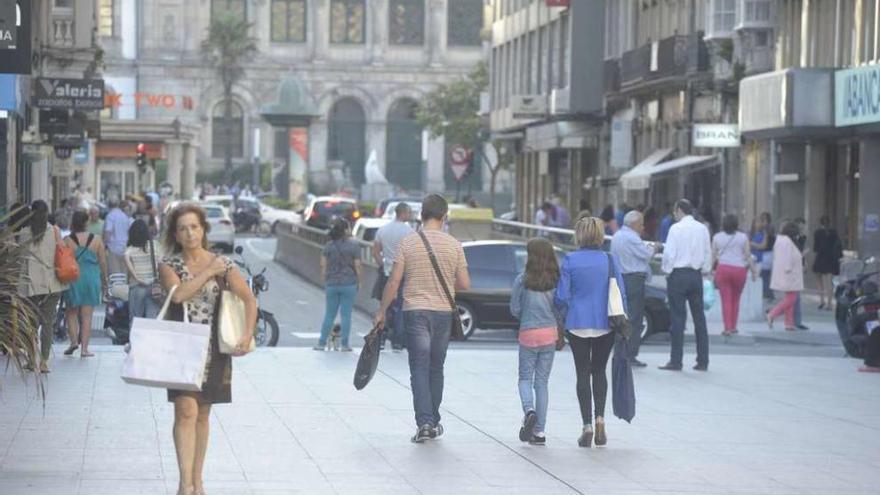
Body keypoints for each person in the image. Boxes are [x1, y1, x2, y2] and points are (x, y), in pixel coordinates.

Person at [158, 203, 257, 495]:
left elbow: (249, 299)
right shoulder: (169, 265)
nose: (190, 233)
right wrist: (209, 271)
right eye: (183, 229)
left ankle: (197, 480)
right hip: (180, 346)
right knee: (185, 410)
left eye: (195, 227)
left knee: (202, 413)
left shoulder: (223, 264)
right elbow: (179, 296)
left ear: (203, 230)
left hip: (215, 349)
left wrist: (247, 335)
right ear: (176, 235)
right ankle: (184, 483)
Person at [373, 194, 471, 443]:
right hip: (443, 314)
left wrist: (382, 311)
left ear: (421, 215)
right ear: (444, 216)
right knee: (436, 368)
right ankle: (433, 420)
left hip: (415, 311)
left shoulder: (408, 243)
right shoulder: (454, 245)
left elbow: (394, 280)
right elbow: (465, 284)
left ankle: (425, 422)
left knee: (418, 367)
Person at [555, 216, 627, 448]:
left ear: (579, 235)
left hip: (577, 322)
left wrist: (561, 310)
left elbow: (562, 297)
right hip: (605, 322)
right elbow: (621, 293)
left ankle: (586, 424)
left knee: (582, 373)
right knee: (599, 371)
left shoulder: (570, 259)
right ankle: (600, 420)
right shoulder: (609, 259)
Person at [510, 238, 564, 445]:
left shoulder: (522, 280)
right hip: (549, 334)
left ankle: (529, 410)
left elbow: (514, 309)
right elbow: (560, 308)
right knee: (542, 382)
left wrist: (526, 315)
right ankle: (539, 432)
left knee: (525, 378)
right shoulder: (556, 280)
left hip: (528, 333)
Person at [659, 199, 712, 372]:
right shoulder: (702, 228)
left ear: (680, 211)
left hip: (678, 275)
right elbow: (707, 252)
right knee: (699, 319)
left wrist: (667, 271)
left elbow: (669, 254)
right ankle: (703, 360)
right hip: (695, 275)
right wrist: (704, 269)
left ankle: (676, 360)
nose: (674, 215)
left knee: (677, 319)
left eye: (675, 212)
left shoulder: (675, 229)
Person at [18, 200, 68, 373]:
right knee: (47, 323)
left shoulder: (24, 233)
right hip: (51, 285)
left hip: (29, 286)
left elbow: (19, 258)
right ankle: (44, 361)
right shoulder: (55, 231)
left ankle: (32, 359)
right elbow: (61, 252)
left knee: (31, 323)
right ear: (47, 213)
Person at [610, 211, 657, 367]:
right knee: (635, 318)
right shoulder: (632, 237)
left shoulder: (617, 236)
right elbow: (646, 255)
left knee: (620, 317)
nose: (643, 227)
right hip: (634, 279)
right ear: (634, 224)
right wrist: (655, 248)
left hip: (620, 279)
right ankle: (630, 354)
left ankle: (619, 351)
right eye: (641, 223)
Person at [63, 210, 109, 358]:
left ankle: (73, 342)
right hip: (91, 278)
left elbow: (62, 261)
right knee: (87, 315)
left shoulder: (67, 240)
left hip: (73, 278)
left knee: (71, 312)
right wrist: (105, 282)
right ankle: (84, 349)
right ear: (86, 223)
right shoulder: (97, 240)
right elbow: (102, 263)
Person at [371, 203, 414, 351]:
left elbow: (376, 251)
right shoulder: (409, 232)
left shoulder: (383, 230)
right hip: (403, 273)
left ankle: (382, 338)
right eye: (409, 212)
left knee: (385, 305)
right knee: (402, 307)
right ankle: (397, 341)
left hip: (387, 271)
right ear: (403, 213)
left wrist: (382, 265)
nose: (410, 215)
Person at [314, 218, 361, 352]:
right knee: (346, 314)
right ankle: (345, 345)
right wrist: (359, 281)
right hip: (349, 283)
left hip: (332, 283)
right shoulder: (354, 246)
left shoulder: (329, 246)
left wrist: (325, 278)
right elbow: (357, 265)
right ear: (346, 230)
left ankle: (321, 343)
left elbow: (323, 264)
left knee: (329, 314)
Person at [712, 214, 757, 337]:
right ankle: (733, 327)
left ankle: (726, 328)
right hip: (739, 270)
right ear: (736, 224)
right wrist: (754, 271)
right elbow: (748, 255)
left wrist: (709, 271)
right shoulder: (743, 237)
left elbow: (713, 256)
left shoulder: (717, 237)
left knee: (725, 300)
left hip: (723, 269)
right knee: (736, 299)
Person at [766, 222, 805, 332]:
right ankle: (772, 314)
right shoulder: (787, 243)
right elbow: (788, 258)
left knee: (789, 298)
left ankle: (789, 323)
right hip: (790, 274)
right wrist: (789, 269)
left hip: (785, 273)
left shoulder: (781, 241)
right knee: (791, 298)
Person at [125, 219, 161, 323]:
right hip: (154, 287)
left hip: (137, 287)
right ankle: (150, 339)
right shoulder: (155, 245)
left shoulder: (129, 250)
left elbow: (130, 271)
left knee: (135, 320)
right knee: (152, 320)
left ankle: (135, 339)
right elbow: (161, 264)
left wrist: (138, 279)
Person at [813, 215, 842, 311]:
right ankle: (829, 303)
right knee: (829, 282)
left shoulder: (817, 233)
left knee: (819, 280)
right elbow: (839, 246)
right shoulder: (834, 232)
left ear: (820, 222)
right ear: (829, 222)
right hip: (831, 259)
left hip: (820, 258)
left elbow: (815, 248)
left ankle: (822, 300)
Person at [750, 212, 775, 301]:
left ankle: (766, 293)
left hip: (760, 259)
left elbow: (763, 246)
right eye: (756, 222)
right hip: (751, 259)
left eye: (760, 222)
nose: (759, 224)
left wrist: (752, 244)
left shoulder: (764, 234)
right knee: (755, 278)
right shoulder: (751, 234)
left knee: (761, 277)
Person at [104, 199, 131, 275]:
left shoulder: (110, 216)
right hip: (124, 247)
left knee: (115, 274)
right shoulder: (125, 216)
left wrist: (104, 245)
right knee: (124, 273)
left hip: (113, 248)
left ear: (108, 206)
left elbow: (108, 232)